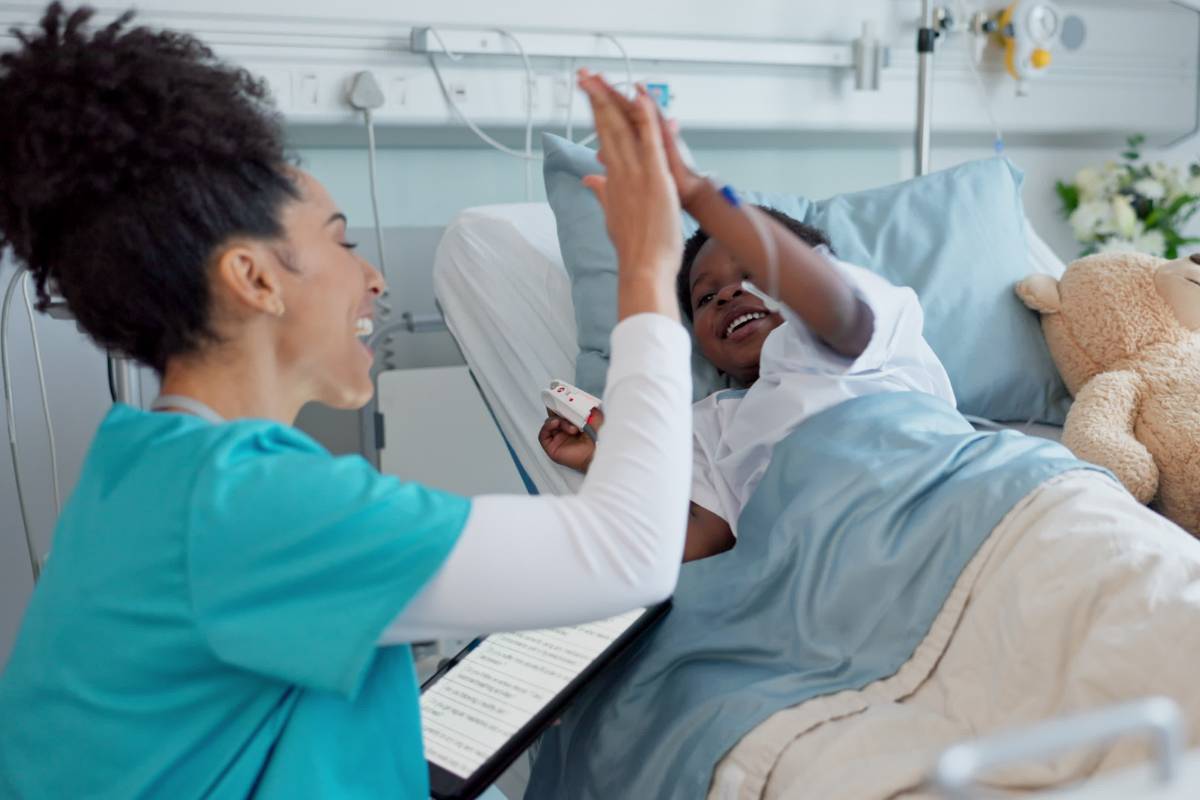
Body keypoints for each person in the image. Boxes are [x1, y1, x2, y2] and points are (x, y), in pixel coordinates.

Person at [0, 5, 693, 798]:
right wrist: (645, 270)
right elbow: (630, 554)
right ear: (254, 279)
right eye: (340, 240)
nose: (375, 278)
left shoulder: (141, 472)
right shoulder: (246, 504)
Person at [541, 169, 954, 562]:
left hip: (944, 502)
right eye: (706, 298)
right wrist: (598, 459)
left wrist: (705, 200)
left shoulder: (860, 328)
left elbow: (840, 314)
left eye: (751, 272)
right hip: (828, 565)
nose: (727, 295)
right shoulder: (709, 424)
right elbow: (697, 545)